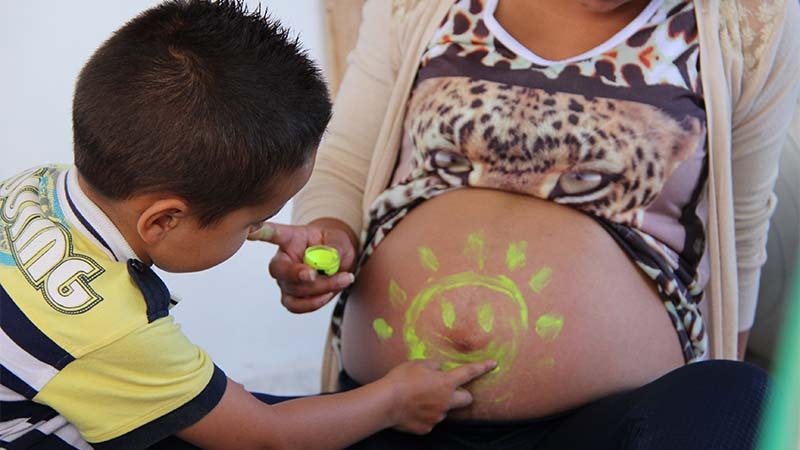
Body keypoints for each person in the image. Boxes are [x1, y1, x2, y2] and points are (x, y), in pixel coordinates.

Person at [258, 0, 800, 448]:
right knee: (189, 418)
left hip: (610, 424)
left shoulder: (749, 20)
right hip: (386, 411)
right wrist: (327, 236)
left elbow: (740, 225)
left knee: (739, 397)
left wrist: (723, 386)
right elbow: (347, 162)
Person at [0, 1, 499, 449]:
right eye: (252, 223)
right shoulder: (112, 330)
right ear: (165, 219)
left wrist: (256, 228)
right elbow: (265, 436)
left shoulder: (37, 187)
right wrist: (393, 401)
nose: (259, 230)